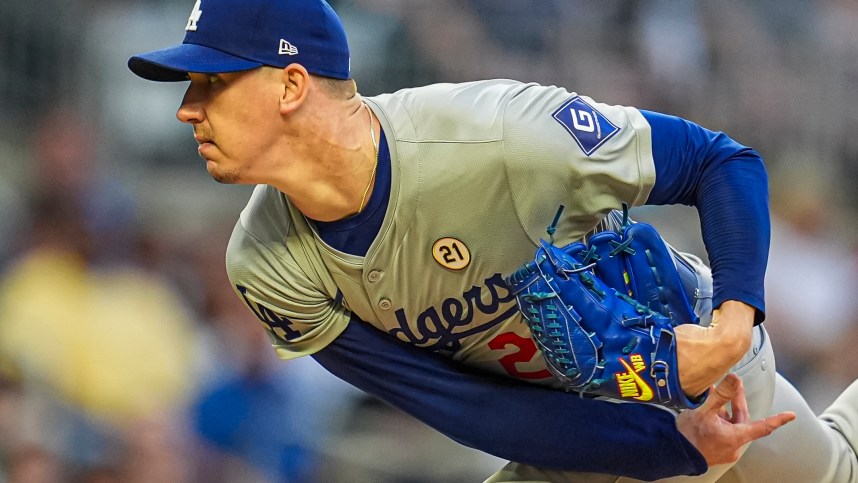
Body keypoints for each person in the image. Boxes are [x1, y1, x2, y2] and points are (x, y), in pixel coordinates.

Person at [126, 0, 858, 481]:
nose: (188, 109)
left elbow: (717, 160)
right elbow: (457, 402)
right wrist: (660, 450)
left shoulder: (498, 136)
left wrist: (733, 322)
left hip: (687, 367)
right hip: (565, 429)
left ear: (290, 85)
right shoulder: (264, 262)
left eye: (210, 82)